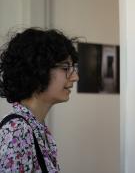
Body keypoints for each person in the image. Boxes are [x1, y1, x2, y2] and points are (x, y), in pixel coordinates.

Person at [0, 27, 79, 172]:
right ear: (37, 71)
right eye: (66, 67)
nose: (75, 77)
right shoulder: (18, 131)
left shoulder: (36, 127)